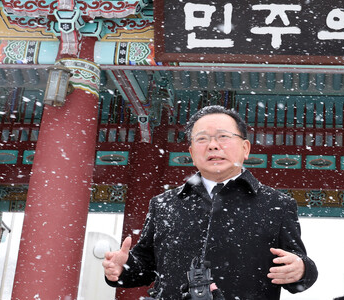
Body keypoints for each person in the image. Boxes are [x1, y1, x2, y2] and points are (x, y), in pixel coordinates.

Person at [103, 105, 318, 299]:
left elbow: (299, 267)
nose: (213, 146)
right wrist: (123, 268)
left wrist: (301, 269)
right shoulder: (164, 204)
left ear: (245, 148)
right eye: (202, 139)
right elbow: (146, 267)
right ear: (191, 152)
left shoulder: (276, 204)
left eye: (223, 136)